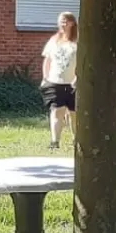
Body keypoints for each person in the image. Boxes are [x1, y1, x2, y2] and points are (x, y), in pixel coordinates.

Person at [40, 11, 78, 148]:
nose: (63, 24)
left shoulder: (78, 41)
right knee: (57, 111)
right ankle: (55, 142)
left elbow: (83, 62)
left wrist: (78, 78)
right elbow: (47, 60)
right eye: (61, 21)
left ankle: (76, 140)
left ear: (72, 23)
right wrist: (45, 78)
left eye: (66, 21)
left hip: (74, 84)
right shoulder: (54, 40)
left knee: (74, 115)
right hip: (55, 82)